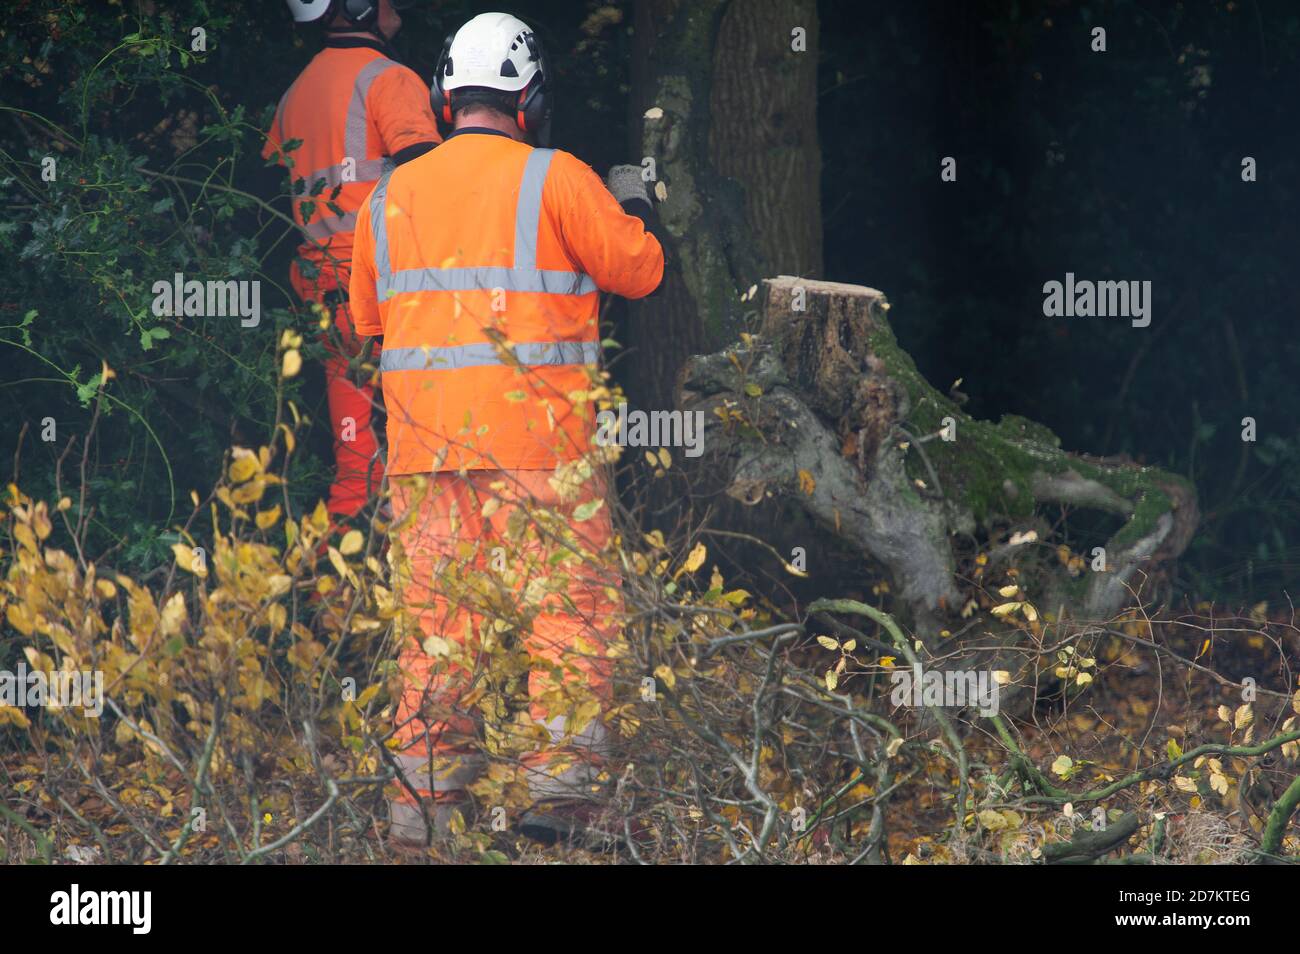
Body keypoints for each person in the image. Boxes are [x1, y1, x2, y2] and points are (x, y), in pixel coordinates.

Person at [348, 11, 665, 846]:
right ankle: (560, 799)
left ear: (445, 99)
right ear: (529, 99)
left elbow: (363, 320)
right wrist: (634, 197)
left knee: (436, 632)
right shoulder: (555, 177)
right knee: (567, 614)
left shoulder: (385, 198)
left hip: (424, 457)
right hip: (544, 452)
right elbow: (641, 269)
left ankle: (423, 817)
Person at [264, 0, 439, 526]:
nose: (398, 8)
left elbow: (271, 209)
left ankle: (336, 597)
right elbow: (433, 187)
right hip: (392, 300)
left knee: (358, 464)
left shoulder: (293, 96)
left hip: (328, 307)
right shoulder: (390, 80)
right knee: (434, 453)